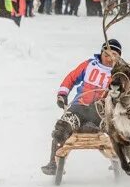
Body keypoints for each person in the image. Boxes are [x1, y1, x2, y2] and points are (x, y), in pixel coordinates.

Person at [41, 39, 122, 176]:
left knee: (119, 131)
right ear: (101, 53)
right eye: (106, 54)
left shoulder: (119, 73)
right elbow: (71, 78)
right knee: (62, 127)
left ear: (119, 57)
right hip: (79, 108)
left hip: (102, 112)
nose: (109, 58)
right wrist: (62, 94)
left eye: (114, 55)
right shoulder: (90, 65)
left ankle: (123, 160)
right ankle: (53, 163)